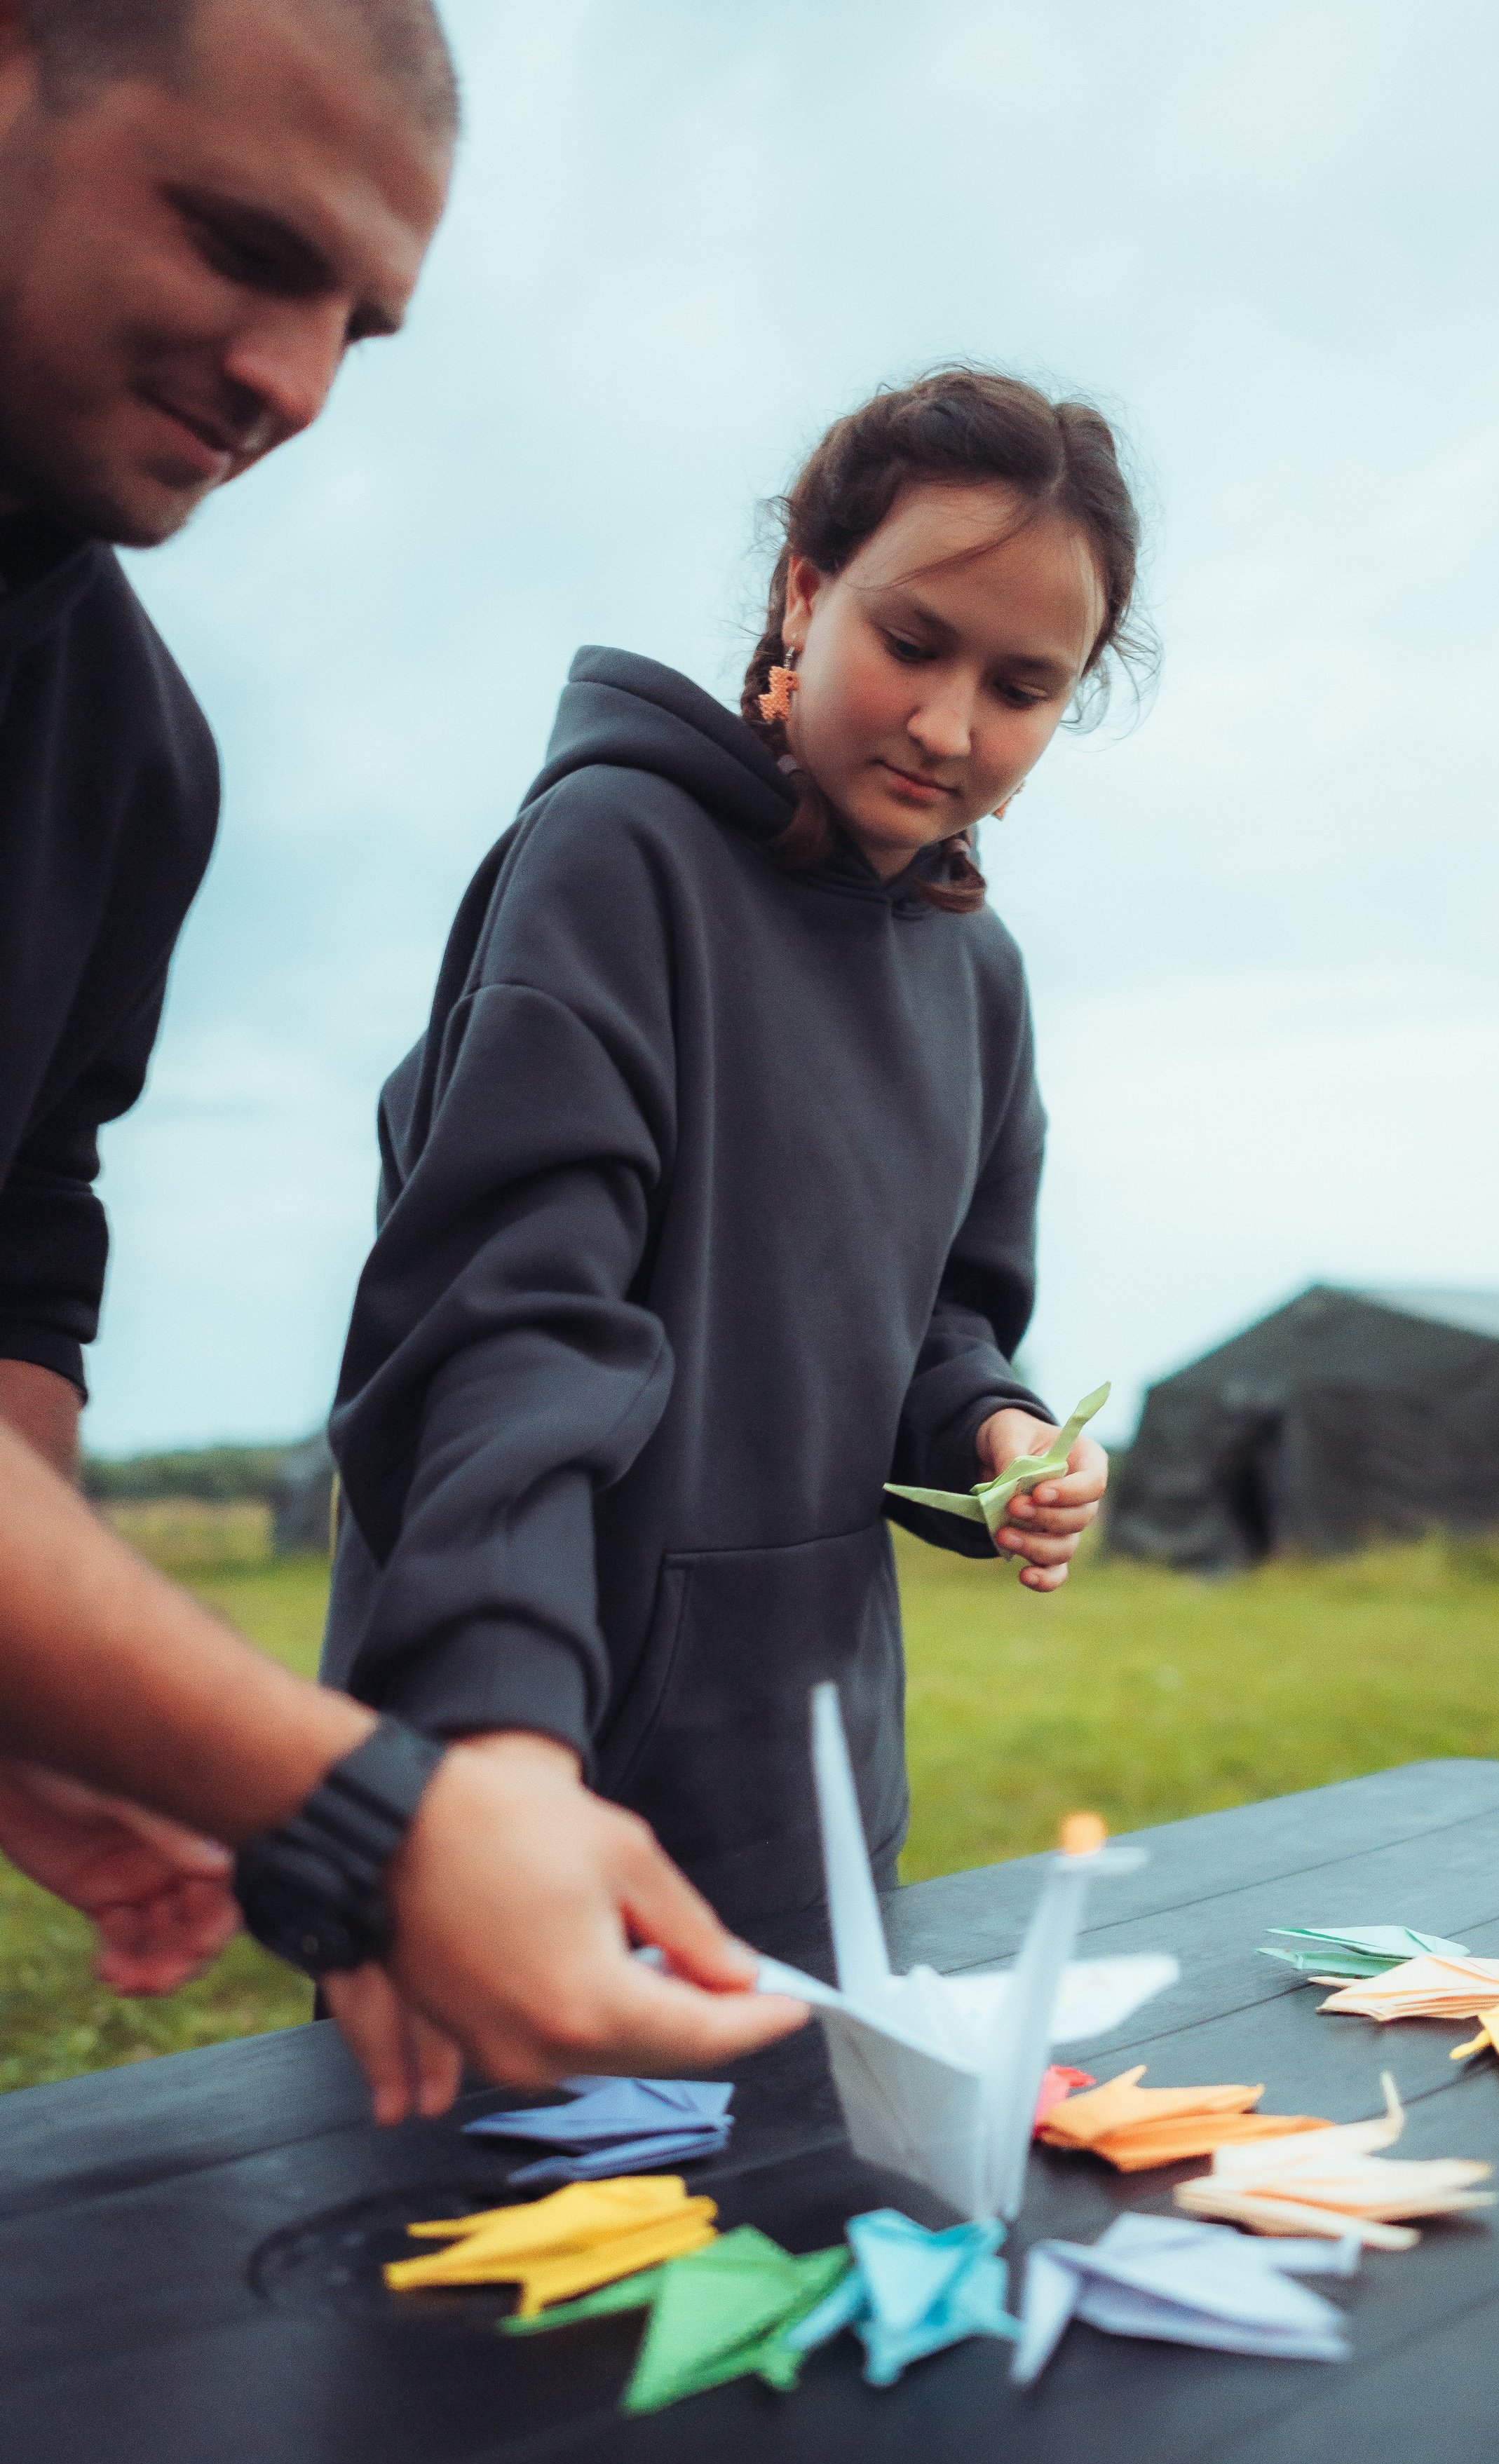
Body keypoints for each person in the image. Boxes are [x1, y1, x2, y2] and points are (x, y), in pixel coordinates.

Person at [0, 0, 807, 2110]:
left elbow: (20, 1252)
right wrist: (356, 1801)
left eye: (361, 328)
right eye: (244, 249)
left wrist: (46, 1705)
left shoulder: (132, 760)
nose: (289, 386)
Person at [323, 369, 1145, 1938]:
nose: (945, 724)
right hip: (538, 1780)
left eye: (1022, 686)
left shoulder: (980, 979)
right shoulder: (615, 857)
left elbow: (936, 1322)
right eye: (911, 641)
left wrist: (991, 1425)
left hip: (817, 1801)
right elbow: (503, 1331)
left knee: (820, 2181)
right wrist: (500, 1748)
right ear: (804, 591)